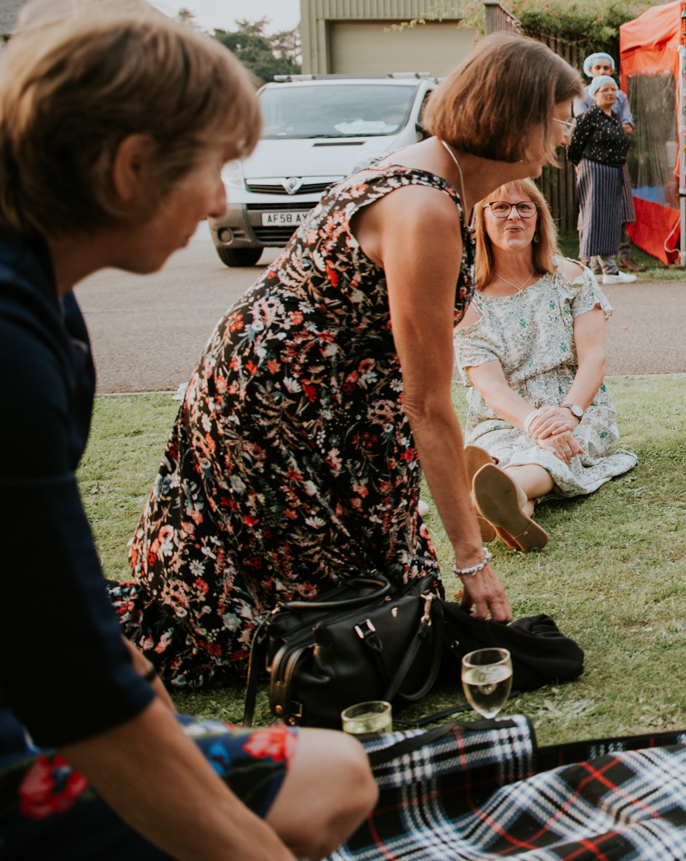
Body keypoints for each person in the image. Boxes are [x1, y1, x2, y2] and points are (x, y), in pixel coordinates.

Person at [0, 4, 375, 860]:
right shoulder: (10, 353)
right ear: (131, 166)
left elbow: (54, 605)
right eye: (213, 168)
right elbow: (76, 691)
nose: (219, 199)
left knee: (333, 774)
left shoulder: (43, 296)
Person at [116, 35, 585, 685]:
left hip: (339, 400)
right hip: (277, 403)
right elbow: (427, 404)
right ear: (520, 114)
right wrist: (471, 557)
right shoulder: (423, 206)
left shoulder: (437, 177)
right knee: (306, 619)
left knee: (393, 599)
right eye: (561, 114)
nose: (566, 133)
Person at [457, 179, 636, 553]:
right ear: (481, 220)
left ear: (539, 219)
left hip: (578, 408)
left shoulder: (572, 278)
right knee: (518, 446)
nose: (514, 217)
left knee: (557, 447)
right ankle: (513, 502)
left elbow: (593, 359)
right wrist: (535, 422)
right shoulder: (468, 300)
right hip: (505, 416)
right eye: (500, 208)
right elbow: (490, 385)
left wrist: (569, 413)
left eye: (525, 207)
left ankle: (503, 490)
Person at [570, 74, 635, 281]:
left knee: (611, 219)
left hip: (612, 171)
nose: (610, 93)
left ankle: (602, 270)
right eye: (604, 90)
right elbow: (574, 144)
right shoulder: (589, 116)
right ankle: (596, 268)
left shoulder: (614, 118)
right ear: (594, 94)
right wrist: (579, 165)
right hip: (594, 170)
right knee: (594, 217)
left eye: (613, 90)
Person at [581, 52, 634, 131]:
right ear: (590, 70)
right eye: (597, 68)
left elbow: (628, 128)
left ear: (611, 71)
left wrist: (601, 127)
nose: (602, 72)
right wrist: (616, 128)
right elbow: (583, 124)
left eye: (606, 68)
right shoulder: (582, 94)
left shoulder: (620, 96)